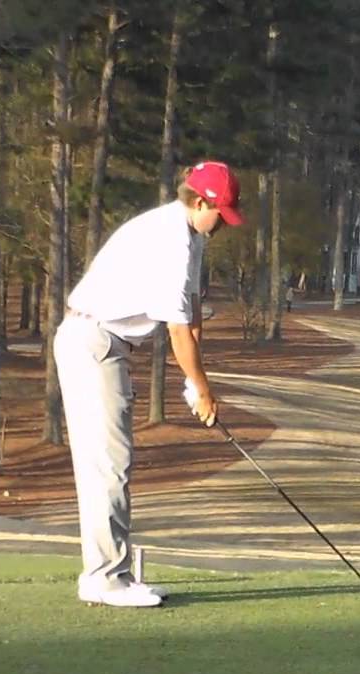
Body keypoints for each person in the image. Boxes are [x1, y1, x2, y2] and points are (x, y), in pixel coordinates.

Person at [54, 160, 243, 607]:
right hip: (92, 340)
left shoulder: (191, 236)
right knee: (109, 464)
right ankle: (103, 578)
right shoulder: (171, 241)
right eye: (221, 214)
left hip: (106, 343)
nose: (224, 225)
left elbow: (190, 316)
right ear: (199, 202)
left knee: (114, 462)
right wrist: (202, 388)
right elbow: (177, 333)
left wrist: (195, 384)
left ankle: (112, 573)